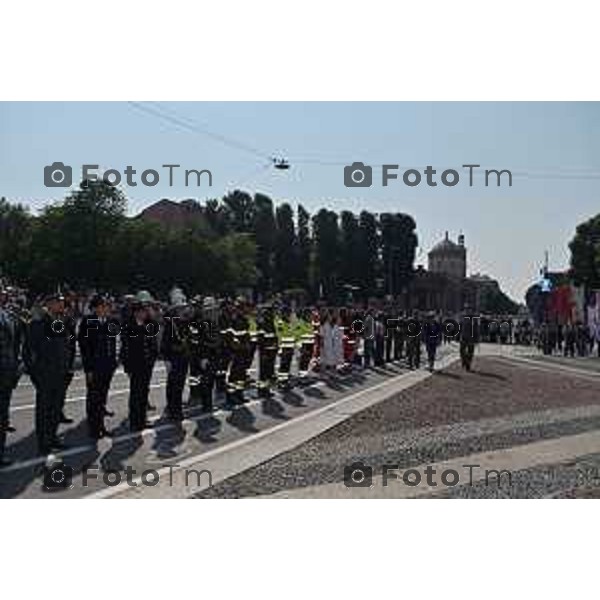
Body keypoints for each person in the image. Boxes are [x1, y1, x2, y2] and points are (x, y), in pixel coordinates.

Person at [24, 294, 71, 454]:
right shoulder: (37, 324)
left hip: (60, 373)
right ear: (49, 305)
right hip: (44, 374)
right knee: (44, 410)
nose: (61, 306)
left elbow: (66, 347)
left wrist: (67, 368)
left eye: (62, 303)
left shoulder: (60, 322)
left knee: (56, 409)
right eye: (58, 303)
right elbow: (28, 351)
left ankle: (53, 438)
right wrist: (34, 374)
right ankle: (43, 443)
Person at [78, 294, 118, 439]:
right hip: (95, 366)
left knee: (102, 398)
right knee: (94, 398)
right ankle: (94, 429)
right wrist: (88, 368)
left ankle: (101, 426)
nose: (106, 308)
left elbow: (112, 342)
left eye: (107, 306)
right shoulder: (88, 321)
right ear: (95, 308)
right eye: (102, 306)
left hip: (108, 365)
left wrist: (113, 362)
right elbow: (85, 347)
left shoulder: (110, 321)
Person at [120, 299, 159, 432]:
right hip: (135, 365)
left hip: (147, 364)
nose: (144, 314)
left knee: (144, 392)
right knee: (135, 393)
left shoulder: (149, 324)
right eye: (141, 311)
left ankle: (142, 419)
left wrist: (153, 359)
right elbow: (125, 348)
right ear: (135, 313)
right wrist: (127, 367)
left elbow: (152, 343)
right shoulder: (128, 326)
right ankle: (134, 421)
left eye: (145, 311)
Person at [0, 288, 24, 466]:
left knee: (2, 415)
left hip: (6, 372)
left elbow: (15, 344)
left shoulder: (8, 315)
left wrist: (16, 366)